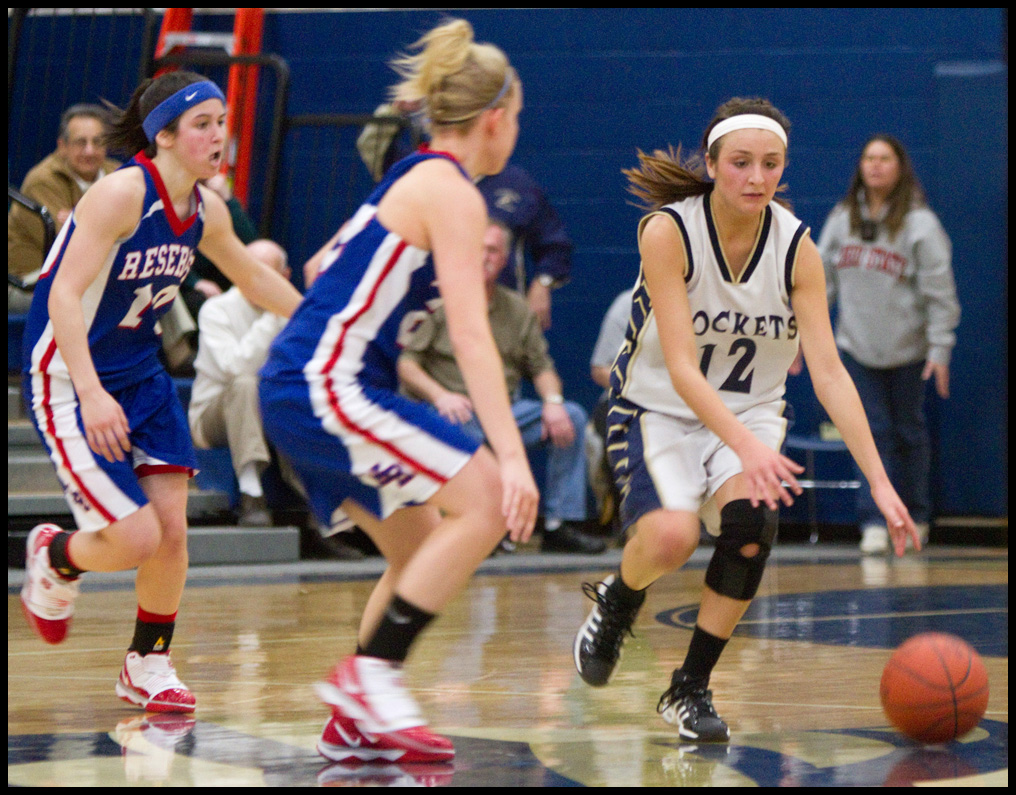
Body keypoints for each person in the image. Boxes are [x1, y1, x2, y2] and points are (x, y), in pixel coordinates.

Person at [572, 98, 920, 743]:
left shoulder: (798, 248)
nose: (756, 178)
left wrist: (879, 480)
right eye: (740, 163)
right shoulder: (667, 231)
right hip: (660, 410)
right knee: (671, 540)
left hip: (751, 413)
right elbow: (679, 365)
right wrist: (746, 448)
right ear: (711, 165)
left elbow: (830, 372)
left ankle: (691, 688)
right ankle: (620, 595)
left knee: (753, 523)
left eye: (770, 164)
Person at [259, 19, 538, 764]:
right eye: (518, 117)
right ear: (495, 118)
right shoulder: (452, 191)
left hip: (305, 381)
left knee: (415, 546)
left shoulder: (409, 176)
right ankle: (372, 674)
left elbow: (320, 268)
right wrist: (510, 454)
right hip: (327, 382)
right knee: (481, 500)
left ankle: (354, 720)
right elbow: (473, 335)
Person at [19, 71, 302, 714]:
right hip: (70, 375)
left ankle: (148, 662)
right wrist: (90, 392)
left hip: (140, 374)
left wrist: (328, 329)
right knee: (135, 537)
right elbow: (61, 293)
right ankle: (57, 552)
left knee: (172, 532)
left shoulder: (208, 210)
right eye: (203, 124)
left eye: (222, 123)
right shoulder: (121, 194)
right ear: (164, 136)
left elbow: (254, 277)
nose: (218, 136)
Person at [398, 219, 605, 555]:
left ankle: (558, 525)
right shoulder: (444, 302)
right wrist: (441, 396)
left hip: (505, 411)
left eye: (492, 249)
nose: (484, 256)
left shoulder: (518, 309)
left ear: (505, 257)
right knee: (462, 424)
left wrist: (552, 401)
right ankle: (483, 524)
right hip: (452, 410)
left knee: (573, 416)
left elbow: (542, 367)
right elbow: (407, 364)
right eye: (477, 248)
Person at [817, 135, 960, 555]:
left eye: (884, 158)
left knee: (909, 433)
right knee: (871, 433)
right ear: (860, 166)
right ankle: (875, 521)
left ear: (900, 167)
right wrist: (799, 337)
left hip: (908, 351)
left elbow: (941, 293)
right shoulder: (842, 218)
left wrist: (940, 349)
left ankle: (915, 515)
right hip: (857, 349)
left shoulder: (920, 223)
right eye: (868, 158)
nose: (876, 165)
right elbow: (818, 281)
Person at [188, 239, 291, 526]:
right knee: (245, 383)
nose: (253, 279)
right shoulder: (216, 309)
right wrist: (273, 313)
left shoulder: (292, 311)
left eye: (265, 273)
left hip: (271, 409)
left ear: (284, 278)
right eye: (248, 269)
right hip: (212, 416)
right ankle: (251, 493)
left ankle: (321, 515)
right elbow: (236, 367)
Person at [9, 104, 121, 311]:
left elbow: (141, 227)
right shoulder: (42, 181)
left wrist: (82, 220)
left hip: (86, 272)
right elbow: (67, 246)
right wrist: (114, 225)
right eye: (81, 142)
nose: (90, 150)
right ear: (63, 146)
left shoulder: (119, 174)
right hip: (29, 280)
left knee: (145, 281)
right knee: (113, 290)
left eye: (97, 142)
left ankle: (181, 343)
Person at [477, 163, 573, 330]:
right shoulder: (427, 177)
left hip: (503, 315)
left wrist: (543, 281)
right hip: (435, 309)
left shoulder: (516, 183)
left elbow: (555, 244)